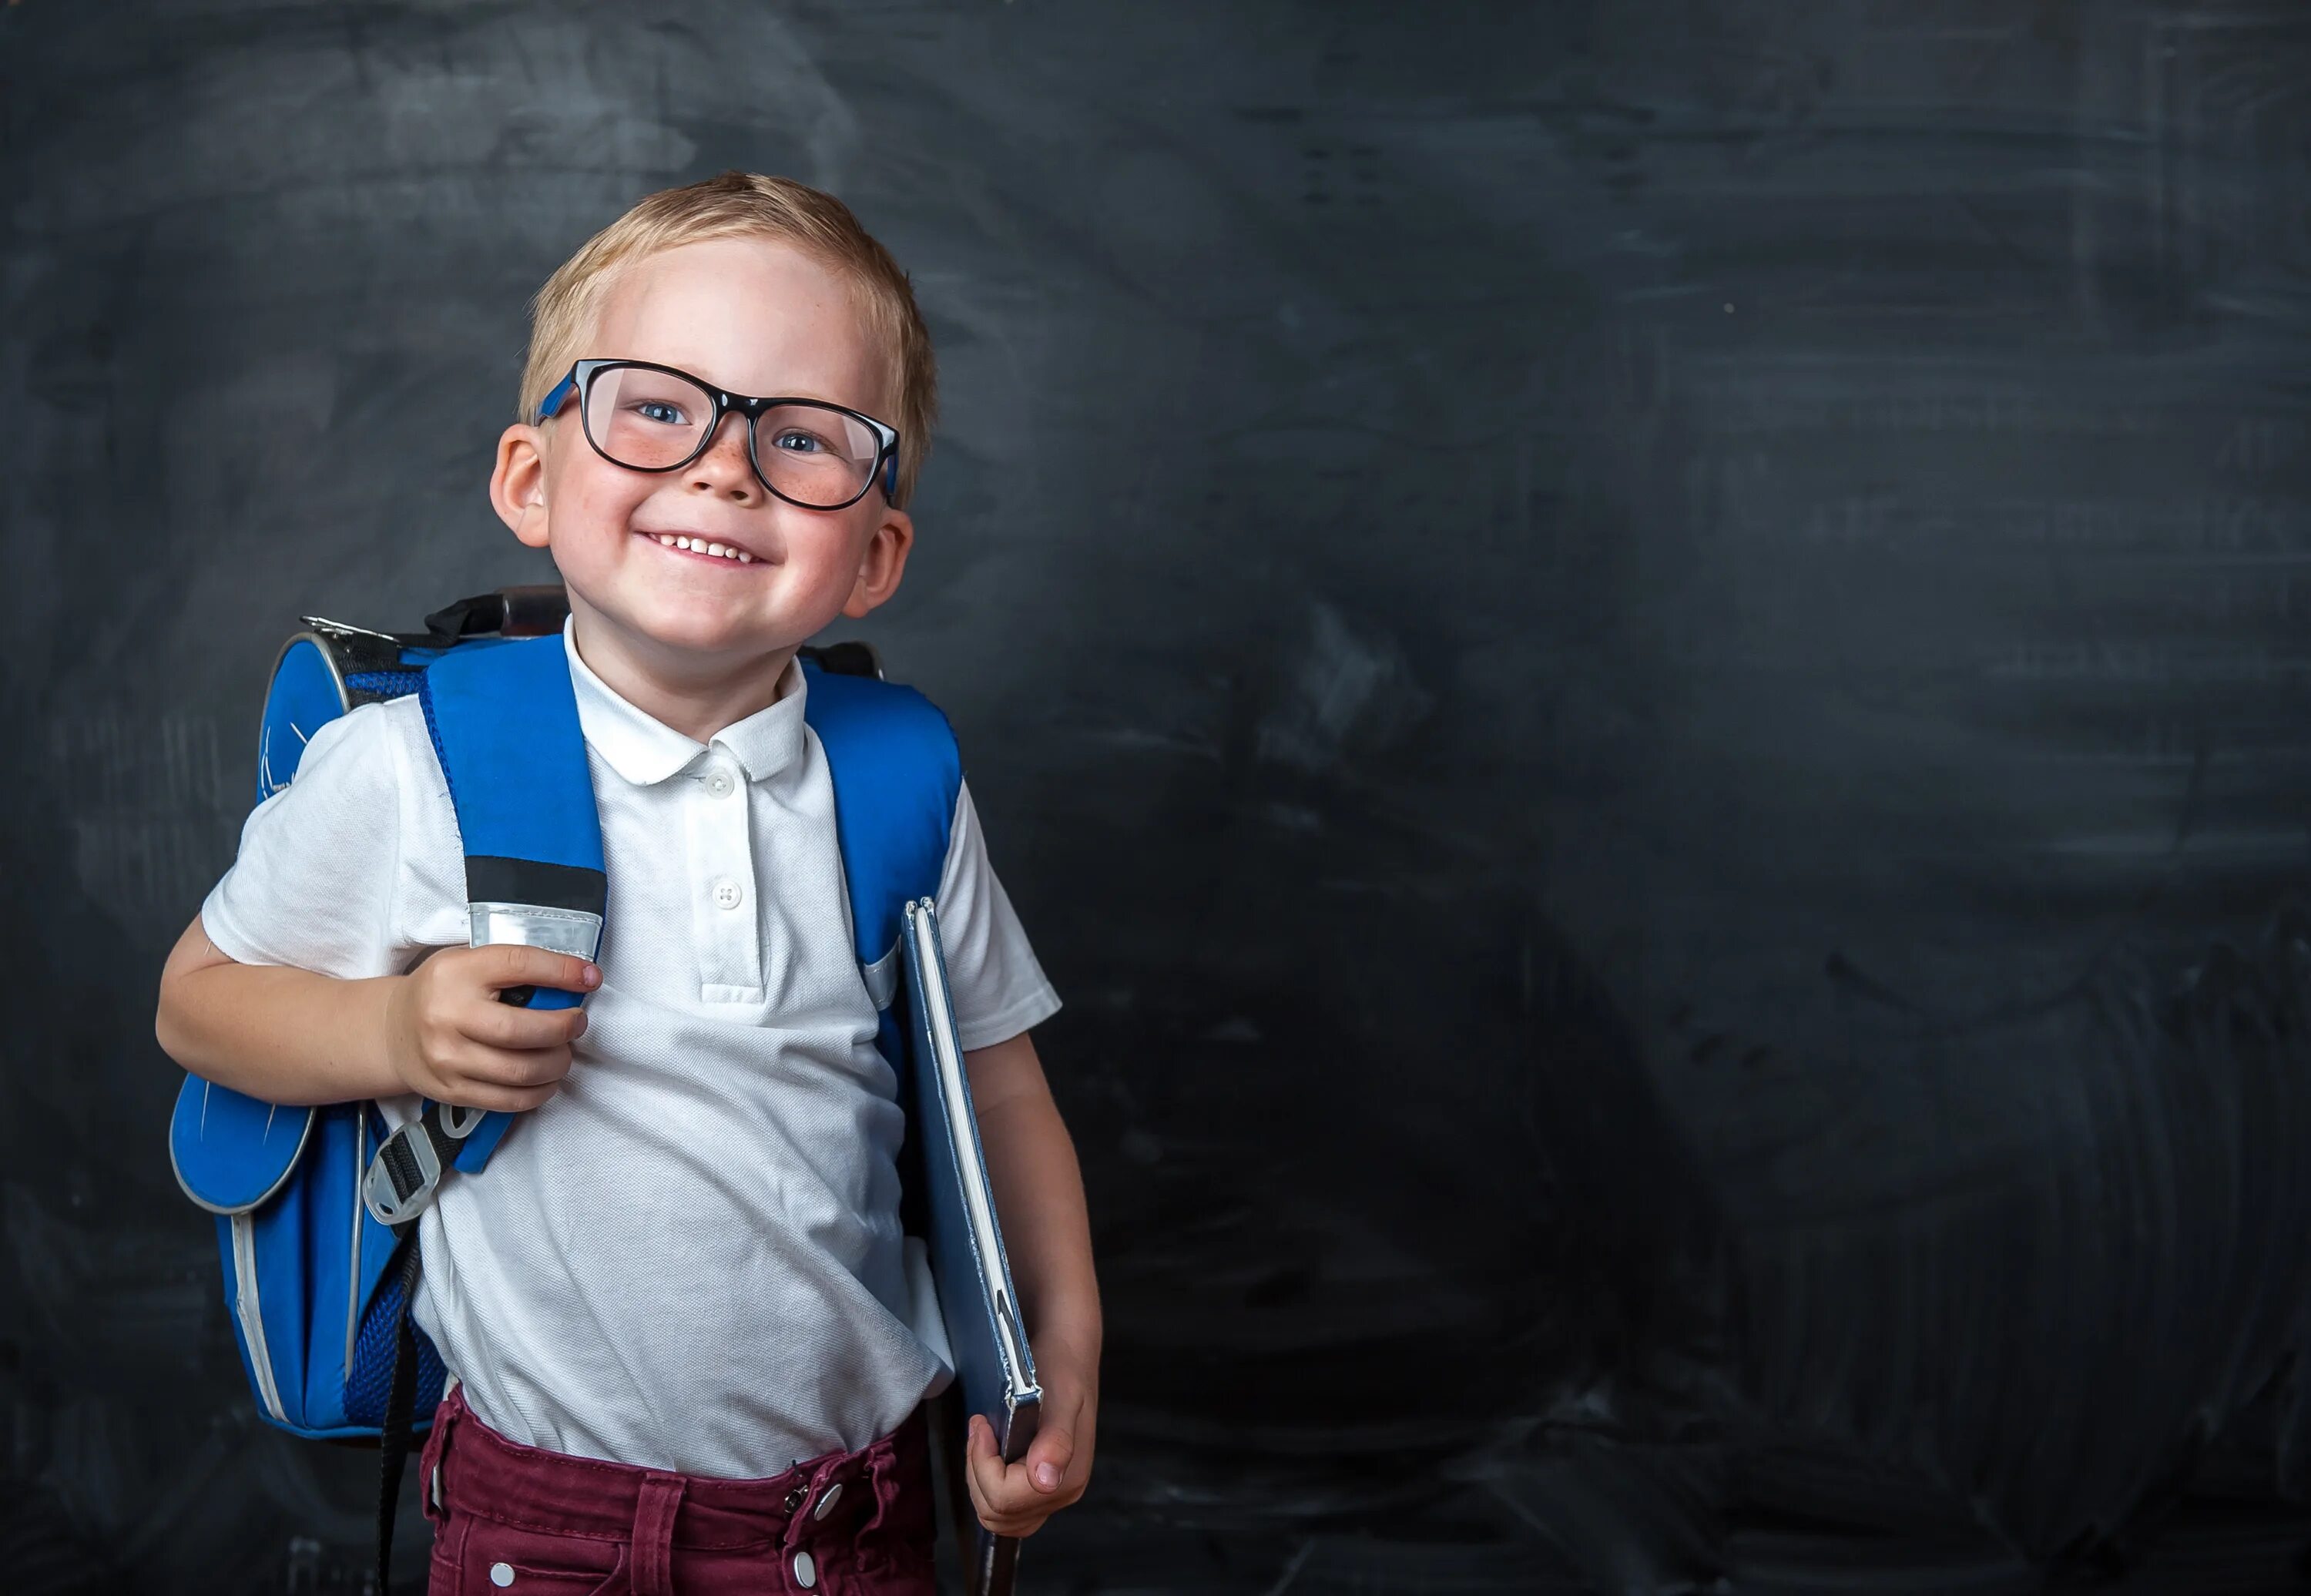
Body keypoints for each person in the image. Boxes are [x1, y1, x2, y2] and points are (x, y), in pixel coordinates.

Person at [153, 171, 1098, 1593]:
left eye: (803, 438)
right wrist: (393, 1036)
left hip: (852, 1518)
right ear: (532, 479)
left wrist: (1063, 1349)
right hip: (545, 1526)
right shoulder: (414, 768)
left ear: (876, 553)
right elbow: (197, 1002)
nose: (726, 467)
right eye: (658, 407)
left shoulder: (901, 778)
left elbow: (999, 1095)